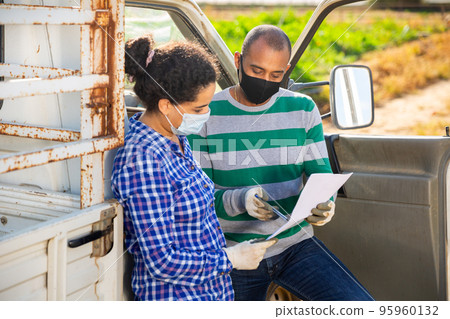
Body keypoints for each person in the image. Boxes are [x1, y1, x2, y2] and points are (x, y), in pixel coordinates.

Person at [187, 25, 373, 301]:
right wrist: (241, 200)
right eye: (257, 71)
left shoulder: (303, 109)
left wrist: (326, 204)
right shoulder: (206, 113)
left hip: (296, 246)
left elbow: (321, 176)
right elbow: (197, 198)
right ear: (238, 61)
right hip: (236, 254)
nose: (265, 81)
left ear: (286, 70)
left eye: (276, 74)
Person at [111, 34, 276, 301]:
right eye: (199, 109)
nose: (206, 114)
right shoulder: (143, 160)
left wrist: (241, 200)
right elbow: (161, 261)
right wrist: (229, 259)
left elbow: (189, 211)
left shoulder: (176, 137)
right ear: (165, 105)